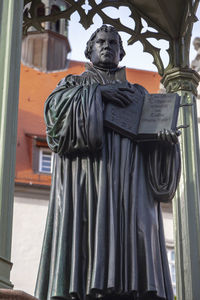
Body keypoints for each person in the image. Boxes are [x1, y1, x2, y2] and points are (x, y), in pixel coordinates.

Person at [35, 25, 180, 300]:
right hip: (88, 180)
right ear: (89, 50)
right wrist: (98, 95)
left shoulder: (140, 94)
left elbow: (155, 148)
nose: (107, 46)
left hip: (131, 184)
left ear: (121, 53)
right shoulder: (73, 85)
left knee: (136, 238)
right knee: (87, 241)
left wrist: (165, 142)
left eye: (114, 42)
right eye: (101, 41)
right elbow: (55, 122)